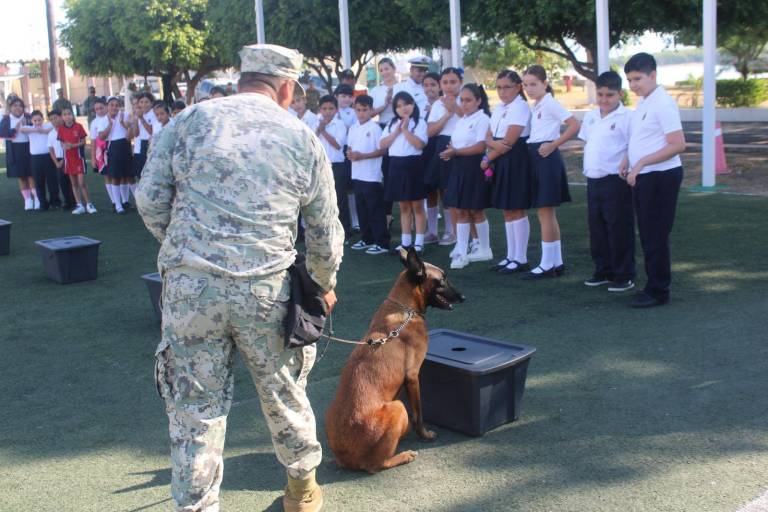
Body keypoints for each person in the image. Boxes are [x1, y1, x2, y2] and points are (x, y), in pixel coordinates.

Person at [135, 43, 343, 512]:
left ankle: (195, 506)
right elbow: (326, 231)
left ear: (243, 78)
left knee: (195, 410)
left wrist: (186, 250)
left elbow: (148, 198)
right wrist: (323, 284)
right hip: (267, 290)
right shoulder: (300, 135)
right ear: (287, 87)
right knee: (284, 393)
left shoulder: (188, 122)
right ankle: (302, 493)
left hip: (192, 291)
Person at [622, 52, 686, 308]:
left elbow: (678, 144)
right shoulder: (645, 102)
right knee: (648, 233)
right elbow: (643, 139)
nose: (633, 85)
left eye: (637, 78)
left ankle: (659, 291)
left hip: (661, 177)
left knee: (655, 234)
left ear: (653, 75)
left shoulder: (663, 103)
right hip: (647, 176)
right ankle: (653, 285)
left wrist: (642, 162)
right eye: (629, 80)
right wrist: (627, 158)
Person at [578, 71, 635, 292]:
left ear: (620, 94)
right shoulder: (591, 116)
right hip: (593, 179)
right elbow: (588, 142)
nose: (604, 99)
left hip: (616, 180)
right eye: (600, 94)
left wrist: (627, 162)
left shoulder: (627, 118)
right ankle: (603, 270)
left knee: (619, 227)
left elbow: (634, 145)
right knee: (597, 227)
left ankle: (624, 274)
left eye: (609, 95)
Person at [522, 65, 580, 279]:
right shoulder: (537, 104)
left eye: (533, 84)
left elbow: (574, 125)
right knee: (545, 212)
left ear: (544, 84)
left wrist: (554, 144)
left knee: (545, 212)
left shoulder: (550, 103)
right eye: (526, 84)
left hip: (546, 158)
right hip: (537, 157)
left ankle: (548, 264)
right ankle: (555, 262)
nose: (529, 88)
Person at [485, 70, 533, 274]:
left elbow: (509, 142)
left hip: (516, 159)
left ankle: (520, 258)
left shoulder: (520, 107)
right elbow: (488, 136)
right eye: (499, 87)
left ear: (518, 87)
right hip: (500, 159)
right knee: (507, 209)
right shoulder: (499, 108)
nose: (502, 92)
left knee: (516, 208)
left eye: (507, 87)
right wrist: (491, 148)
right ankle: (511, 256)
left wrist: (488, 157)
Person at [440, 84, 492, 269]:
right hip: (459, 165)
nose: (464, 103)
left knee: (475, 210)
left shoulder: (483, 119)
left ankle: (484, 249)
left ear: (479, 101)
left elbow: (480, 147)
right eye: (462, 100)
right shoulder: (462, 119)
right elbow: (455, 143)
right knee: (460, 209)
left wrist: (455, 151)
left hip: (474, 166)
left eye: (468, 100)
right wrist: (451, 151)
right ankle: (461, 250)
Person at [380, 91, 428, 252]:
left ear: (413, 104)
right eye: (399, 106)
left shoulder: (420, 122)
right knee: (404, 207)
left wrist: (406, 130)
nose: (403, 108)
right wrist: (397, 131)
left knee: (418, 207)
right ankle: (406, 242)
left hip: (413, 165)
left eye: (407, 104)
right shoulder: (391, 123)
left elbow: (420, 145)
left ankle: (419, 242)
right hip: (396, 166)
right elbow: (382, 144)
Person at [347, 95, 389, 255]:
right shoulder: (353, 128)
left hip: (372, 176)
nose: (361, 113)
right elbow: (350, 148)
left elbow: (383, 150)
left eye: (365, 110)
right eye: (358, 110)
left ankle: (382, 242)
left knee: (375, 210)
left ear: (371, 110)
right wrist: (350, 153)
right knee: (362, 209)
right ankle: (367, 239)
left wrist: (362, 156)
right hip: (357, 174)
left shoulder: (376, 128)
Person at [427, 67, 464, 247]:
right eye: (445, 82)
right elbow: (431, 131)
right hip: (442, 145)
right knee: (443, 189)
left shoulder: (466, 100)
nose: (449, 86)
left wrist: (455, 107)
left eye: (453, 82)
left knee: (456, 191)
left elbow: (472, 120)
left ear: (460, 83)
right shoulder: (437, 104)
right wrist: (447, 114)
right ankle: (449, 230)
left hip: (462, 146)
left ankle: (460, 233)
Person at [316, 94, 351, 237]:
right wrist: (319, 129)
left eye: (331, 108)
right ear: (320, 109)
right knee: (323, 200)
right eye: (324, 108)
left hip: (337, 166)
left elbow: (337, 145)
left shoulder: (340, 124)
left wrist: (323, 131)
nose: (327, 111)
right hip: (321, 166)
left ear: (336, 110)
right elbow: (312, 142)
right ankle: (328, 230)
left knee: (340, 199)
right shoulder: (316, 123)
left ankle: (345, 231)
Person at [0, 97, 38, 210]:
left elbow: (36, 128)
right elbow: (3, 134)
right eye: (15, 105)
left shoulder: (28, 117)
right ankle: (27, 200)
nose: (18, 108)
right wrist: (15, 129)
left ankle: (37, 198)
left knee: (31, 175)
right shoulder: (6, 119)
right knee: (21, 176)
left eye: (20, 105)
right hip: (15, 149)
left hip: (29, 147)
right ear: (10, 107)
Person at [57, 107, 96, 214]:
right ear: (62, 117)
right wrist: (64, 145)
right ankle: (79, 205)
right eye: (64, 114)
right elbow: (61, 142)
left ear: (72, 115)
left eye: (69, 114)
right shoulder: (61, 129)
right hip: (68, 159)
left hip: (79, 158)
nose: (67, 116)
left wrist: (73, 145)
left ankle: (89, 204)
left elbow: (83, 142)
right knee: (73, 183)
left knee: (81, 182)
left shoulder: (78, 127)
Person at [98, 97, 132, 214]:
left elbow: (130, 133)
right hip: (113, 149)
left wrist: (123, 122)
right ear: (108, 106)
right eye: (112, 105)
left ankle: (126, 201)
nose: (114, 108)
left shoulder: (125, 115)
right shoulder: (103, 120)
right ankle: (118, 205)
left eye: (116, 105)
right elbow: (101, 137)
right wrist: (110, 124)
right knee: (115, 177)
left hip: (125, 147)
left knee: (127, 175)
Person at [21, 110, 59, 210]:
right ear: (32, 121)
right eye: (35, 120)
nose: (37, 122)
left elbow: (54, 125)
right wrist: (36, 130)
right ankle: (43, 203)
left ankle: (55, 201)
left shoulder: (47, 125)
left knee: (52, 181)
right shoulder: (29, 128)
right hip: (35, 159)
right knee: (38, 182)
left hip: (48, 157)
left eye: (39, 120)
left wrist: (44, 131)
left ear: (43, 119)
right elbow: (21, 129)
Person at [421, 71, 442, 244]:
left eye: (433, 85)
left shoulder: (445, 104)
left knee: (445, 190)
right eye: (426, 85)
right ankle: (432, 231)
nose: (429, 89)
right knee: (430, 192)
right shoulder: (420, 105)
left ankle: (451, 230)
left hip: (440, 148)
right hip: (426, 151)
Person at [47, 109, 76, 210]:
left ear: (60, 117)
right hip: (59, 160)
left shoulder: (67, 129)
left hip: (70, 158)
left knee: (72, 181)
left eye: (55, 118)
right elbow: (51, 149)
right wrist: (56, 162)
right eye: (51, 119)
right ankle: (67, 201)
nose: (54, 121)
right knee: (62, 182)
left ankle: (75, 201)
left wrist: (65, 159)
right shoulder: (51, 134)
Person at [130, 91, 159, 181]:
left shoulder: (154, 114)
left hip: (150, 146)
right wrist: (136, 120)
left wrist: (142, 119)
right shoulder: (139, 114)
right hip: (139, 148)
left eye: (146, 102)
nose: (144, 104)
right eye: (141, 102)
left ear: (151, 103)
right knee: (140, 176)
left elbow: (151, 131)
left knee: (150, 177)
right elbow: (136, 134)